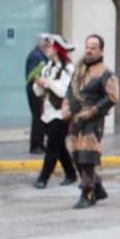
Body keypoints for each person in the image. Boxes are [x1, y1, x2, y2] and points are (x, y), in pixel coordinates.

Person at [65, 34, 119, 209]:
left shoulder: (106, 73)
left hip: (93, 120)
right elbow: (70, 90)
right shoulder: (79, 69)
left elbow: (112, 97)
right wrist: (65, 106)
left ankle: (87, 192)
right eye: (87, 46)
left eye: (93, 47)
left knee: (87, 157)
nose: (89, 50)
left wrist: (94, 110)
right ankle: (97, 186)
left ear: (101, 50)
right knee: (76, 157)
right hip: (75, 119)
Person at [32, 35, 77, 188]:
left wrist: (48, 83)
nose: (46, 48)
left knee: (52, 146)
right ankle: (71, 174)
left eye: (49, 46)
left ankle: (43, 178)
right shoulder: (47, 67)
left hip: (62, 113)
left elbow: (65, 91)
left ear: (58, 49)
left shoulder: (69, 69)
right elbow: (38, 92)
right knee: (59, 146)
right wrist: (38, 84)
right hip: (48, 112)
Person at [26, 34, 51, 154]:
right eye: (47, 42)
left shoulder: (40, 55)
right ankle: (36, 145)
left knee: (40, 118)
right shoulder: (36, 56)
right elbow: (33, 75)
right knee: (38, 118)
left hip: (38, 91)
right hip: (35, 91)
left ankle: (40, 144)